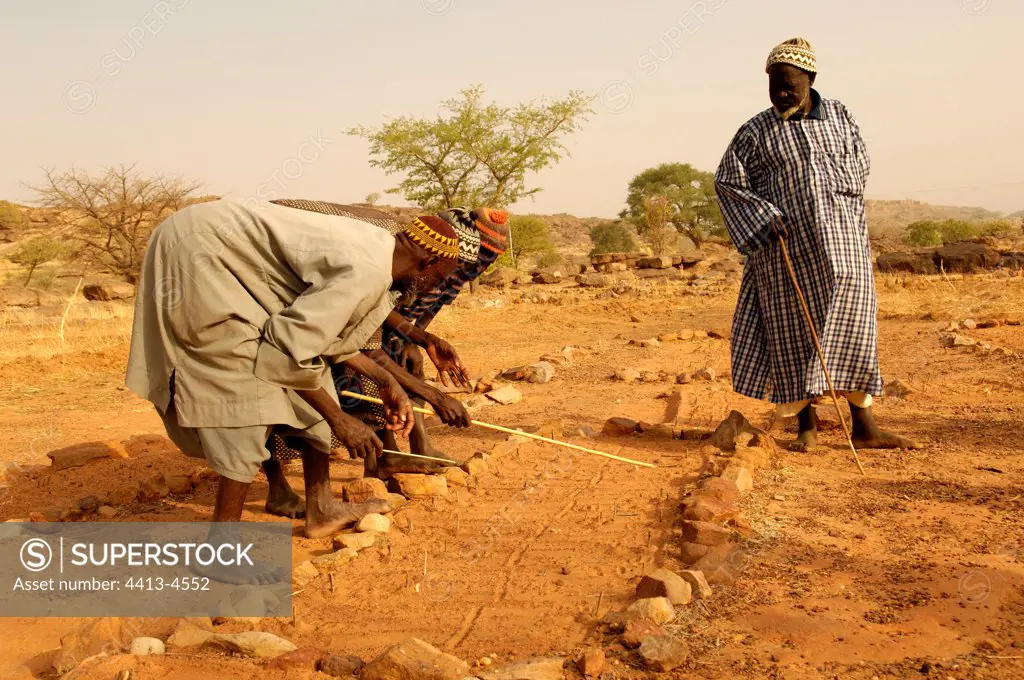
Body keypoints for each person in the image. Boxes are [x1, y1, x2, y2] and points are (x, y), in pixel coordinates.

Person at [125, 197, 461, 544]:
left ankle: (322, 510)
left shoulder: (380, 254)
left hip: (222, 252)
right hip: (200, 251)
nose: (434, 287)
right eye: (439, 278)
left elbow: (326, 341)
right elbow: (286, 351)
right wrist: (340, 420)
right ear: (429, 262)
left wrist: (386, 381)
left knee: (315, 386)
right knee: (245, 387)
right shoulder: (367, 270)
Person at [714, 38, 919, 452]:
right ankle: (806, 426)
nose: (782, 93)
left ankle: (865, 426)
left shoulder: (840, 116)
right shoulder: (754, 132)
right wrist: (764, 216)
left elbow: (859, 162)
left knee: (856, 327)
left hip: (845, 244)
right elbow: (728, 181)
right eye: (774, 85)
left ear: (810, 79)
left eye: (789, 84)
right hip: (784, 249)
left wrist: (834, 196)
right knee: (794, 332)